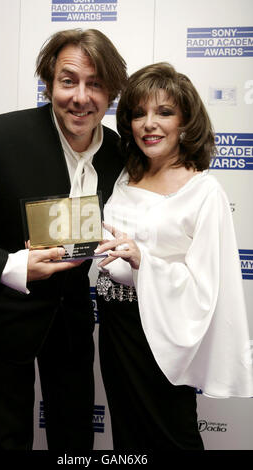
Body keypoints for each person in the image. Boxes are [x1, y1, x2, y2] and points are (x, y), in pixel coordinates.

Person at [0, 29, 127, 450]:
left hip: (72, 325)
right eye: (69, 81)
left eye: (96, 83)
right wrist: (11, 265)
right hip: (2, 320)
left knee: (75, 443)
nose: (81, 97)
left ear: (112, 92)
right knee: (5, 440)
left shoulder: (118, 151)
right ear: (48, 83)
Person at [95, 62, 253, 450]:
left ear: (185, 122)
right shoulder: (123, 176)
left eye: (164, 112)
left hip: (165, 332)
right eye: (138, 114)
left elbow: (207, 287)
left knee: (172, 435)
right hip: (116, 327)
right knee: (128, 437)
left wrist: (144, 262)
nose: (149, 123)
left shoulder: (204, 191)